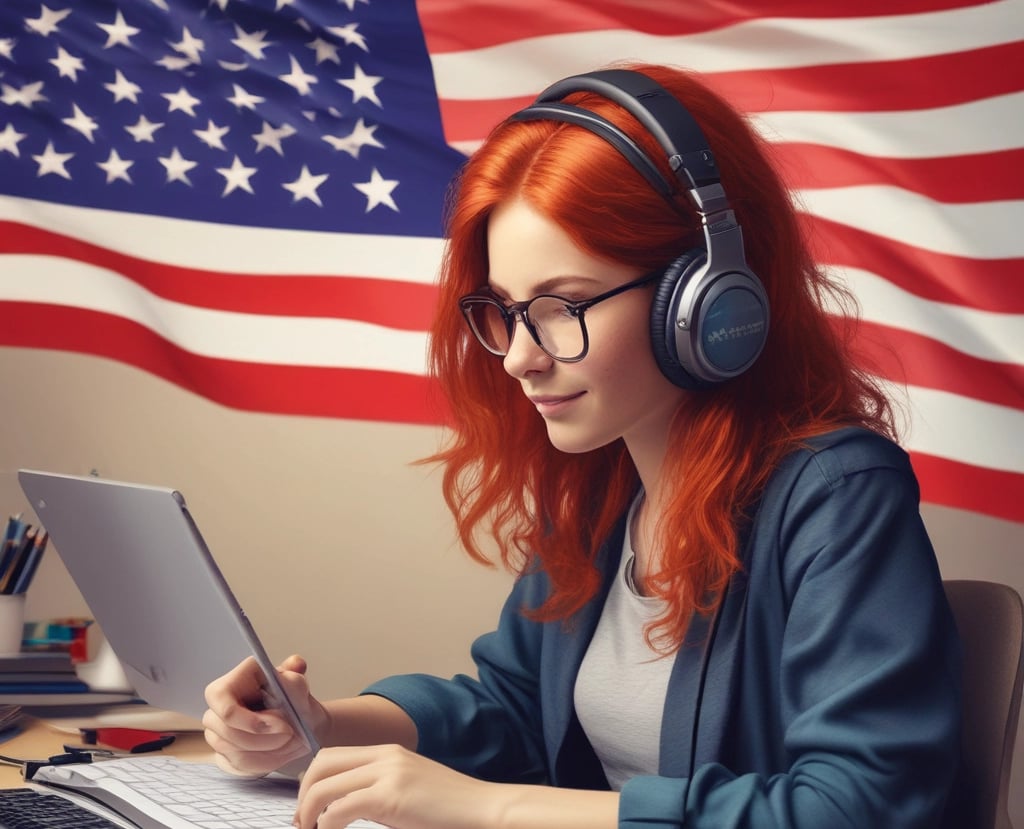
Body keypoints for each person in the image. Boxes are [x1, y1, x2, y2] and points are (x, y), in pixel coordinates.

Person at [203, 61, 962, 829]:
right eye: (506, 310)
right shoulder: (602, 485)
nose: (519, 357)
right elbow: (517, 711)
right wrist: (319, 725)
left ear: (704, 304)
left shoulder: (838, 496)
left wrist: (491, 808)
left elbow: (857, 806)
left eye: (562, 306)